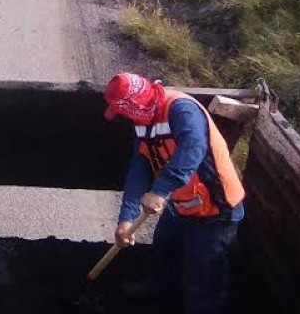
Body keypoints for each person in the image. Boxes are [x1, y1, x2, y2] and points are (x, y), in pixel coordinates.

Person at [102, 73, 245, 314]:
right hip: (181, 203)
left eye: (124, 112)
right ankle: (157, 291)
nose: (124, 118)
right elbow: (139, 167)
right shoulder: (142, 122)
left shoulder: (181, 110)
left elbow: (193, 149)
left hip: (216, 208)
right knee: (163, 250)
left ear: (136, 107)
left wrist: (160, 190)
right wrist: (126, 219)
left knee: (202, 277)